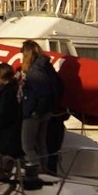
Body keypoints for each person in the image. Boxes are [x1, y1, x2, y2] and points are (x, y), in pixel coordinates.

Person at [18, 40, 61, 173]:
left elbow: (43, 93)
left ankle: (35, 172)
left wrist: (35, 111)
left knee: (27, 146)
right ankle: (44, 169)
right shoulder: (46, 67)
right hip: (46, 112)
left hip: (34, 112)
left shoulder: (35, 72)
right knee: (41, 143)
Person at [0, 63, 22, 177]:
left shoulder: (7, 92)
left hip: (6, 131)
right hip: (9, 129)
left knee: (5, 157)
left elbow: (4, 113)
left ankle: (4, 175)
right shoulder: (13, 88)